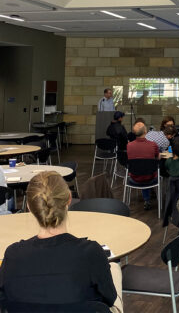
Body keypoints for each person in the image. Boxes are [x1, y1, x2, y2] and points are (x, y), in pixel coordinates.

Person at [0, 172, 122, 312]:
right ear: (69, 199)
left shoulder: (13, 255)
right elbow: (109, 297)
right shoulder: (90, 252)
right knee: (114, 268)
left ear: (29, 206)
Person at [127, 122, 159, 210]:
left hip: (134, 179)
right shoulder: (153, 145)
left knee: (142, 170)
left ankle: (147, 199)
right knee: (148, 171)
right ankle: (152, 198)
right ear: (145, 131)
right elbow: (158, 157)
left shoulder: (129, 145)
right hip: (151, 179)